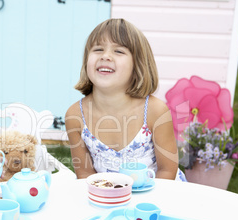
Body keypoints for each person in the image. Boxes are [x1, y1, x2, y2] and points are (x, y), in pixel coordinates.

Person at [65, 18, 185, 181]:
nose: (105, 56)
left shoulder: (154, 111)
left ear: (138, 65)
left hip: (157, 196)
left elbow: (167, 171)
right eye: (98, 49)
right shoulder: (76, 115)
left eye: (119, 51)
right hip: (107, 198)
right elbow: (85, 175)